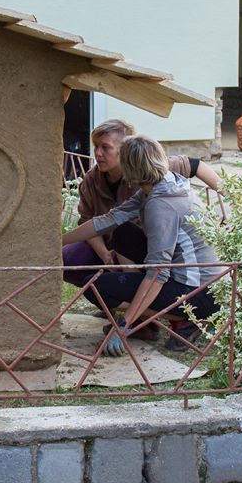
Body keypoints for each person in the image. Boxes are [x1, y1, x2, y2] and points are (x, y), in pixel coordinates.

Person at [61, 135, 224, 355]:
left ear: (129, 169)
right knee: (122, 233)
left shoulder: (161, 205)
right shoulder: (162, 183)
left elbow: (158, 272)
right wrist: (57, 242)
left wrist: (123, 327)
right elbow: (109, 219)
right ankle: (145, 314)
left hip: (201, 291)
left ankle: (187, 319)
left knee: (96, 288)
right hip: (194, 277)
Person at [63, 119, 222, 286]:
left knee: (126, 245)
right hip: (112, 245)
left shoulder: (150, 170)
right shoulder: (91, 180)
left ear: (124, 150)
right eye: (95, 146)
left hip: (155, 247)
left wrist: (229, 195)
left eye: (105, 147)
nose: (98, 153)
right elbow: (90, 220)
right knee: (70, 257)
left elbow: (195, 165)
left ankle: (134, 290)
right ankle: (119, 291)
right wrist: (104, 254)